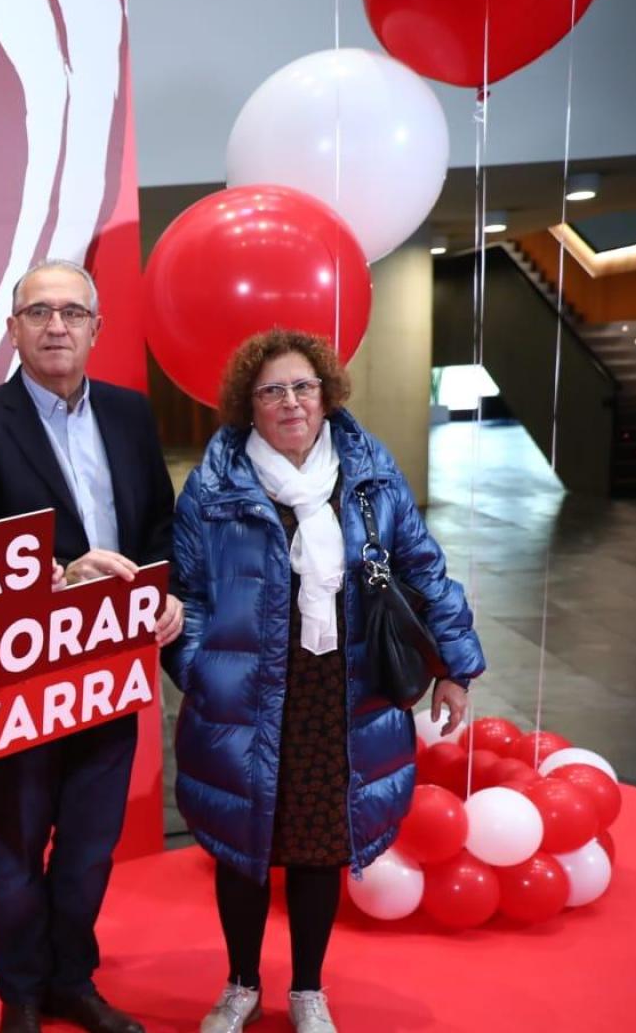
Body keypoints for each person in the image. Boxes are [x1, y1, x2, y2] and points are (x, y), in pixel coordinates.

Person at [169, 329, 483, 1033]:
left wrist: (457, 665)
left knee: (318, 844)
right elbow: (184, 592)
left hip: (343, 692)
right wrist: (196, 671)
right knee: (241, 846)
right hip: (242, 696)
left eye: (302, 387)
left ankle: (308, 989)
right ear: (247, 404)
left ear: (326, 394)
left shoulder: (369, 475)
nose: (290, 402)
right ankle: (241, 983)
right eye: (272, 390)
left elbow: (425, 570)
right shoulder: (214, 485)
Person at [0, 259, 181, 1033]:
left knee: (89, 844)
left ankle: (72, 979)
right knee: (18, 844)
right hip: (17, 677)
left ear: (97, 328)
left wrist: (166, 594)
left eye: (74, 313)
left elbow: (160, 523)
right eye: (40, 311)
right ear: (13, 327)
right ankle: (19, 995)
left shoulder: (128, 414)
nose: (58, 326)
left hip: (113, 671)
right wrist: (53, 576)